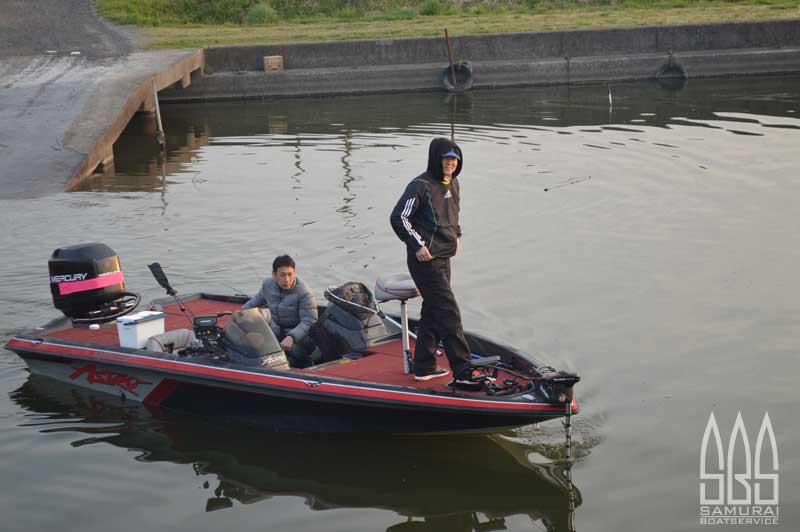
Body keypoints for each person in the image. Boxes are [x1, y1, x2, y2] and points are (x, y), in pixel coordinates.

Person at [389, 138, 472, 383]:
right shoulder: (420, 186)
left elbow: (453, 214)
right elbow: (399, 217)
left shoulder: (453, 183)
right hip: (425, 261)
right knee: (449, 312)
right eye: (446, 159)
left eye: (454, 160)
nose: (450, 164)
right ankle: (464, 371)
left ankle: (424, 366)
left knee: (433, 311)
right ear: (436, 159)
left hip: (445, 256)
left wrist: (457, 236)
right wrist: (417, 245)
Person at [241, 255, 318, 367]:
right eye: (282, 275)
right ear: (274, 275)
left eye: (290, 274)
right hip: (277, 330)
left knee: (293, 354)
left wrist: (292, 337)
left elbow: (310, 320)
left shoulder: (304, 292)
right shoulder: (268, 285)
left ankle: (307, 364)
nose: (286, 279)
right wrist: (240, 314)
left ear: (294, 273)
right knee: (251, 345)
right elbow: (254, 302)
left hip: (301, 337)